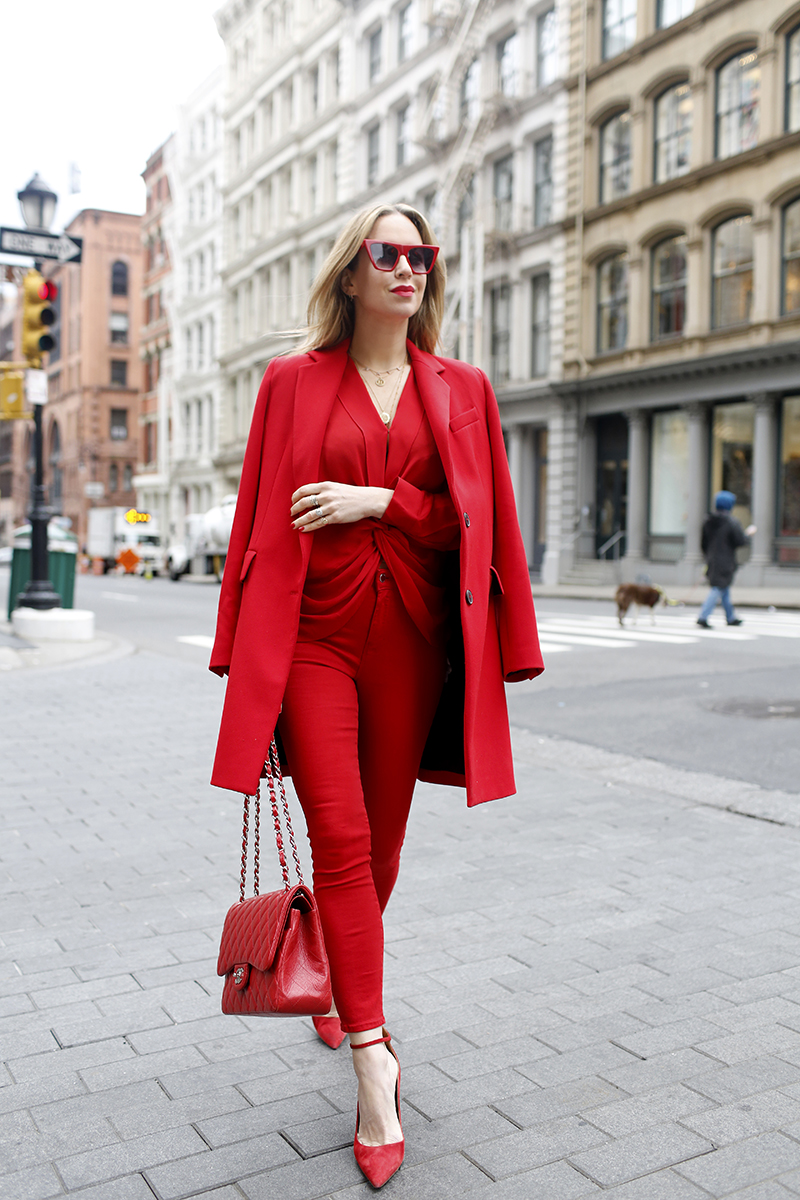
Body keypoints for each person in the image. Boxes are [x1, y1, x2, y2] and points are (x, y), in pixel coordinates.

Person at [208, 202, 543, 1188]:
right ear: (349, 276)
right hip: (312, 640)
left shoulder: (462, 389)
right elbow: (257, 520)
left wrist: (379, 501)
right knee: (343, 847)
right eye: (383, 254)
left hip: (408, 647)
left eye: (418, 255)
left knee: (379, 851)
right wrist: (238, 651)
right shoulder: (290, 383)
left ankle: (337, 982)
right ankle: (373, 1060)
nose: (404, 268)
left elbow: (470, 525)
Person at [697, 490, 756, 628]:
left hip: (712, 560)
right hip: (725, 561)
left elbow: (703, 543)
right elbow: (740, 540)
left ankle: (730, 617)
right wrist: (748, 533)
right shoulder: (730, 521)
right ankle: (703, 616)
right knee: (718, 588)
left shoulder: (708, 521)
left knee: (724, 589)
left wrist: (708, 557)